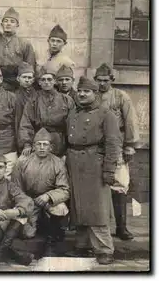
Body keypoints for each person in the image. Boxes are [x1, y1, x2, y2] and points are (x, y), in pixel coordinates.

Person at [65, 76, 121, 265]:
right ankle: (83, 245)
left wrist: (109, 170)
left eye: (86, 91)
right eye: (79, 91)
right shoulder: (73, 113)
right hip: (74, 162)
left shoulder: (106, 114)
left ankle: (104, 249)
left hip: (94, 163)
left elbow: (113, 144)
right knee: (79, 206)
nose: (81, 94)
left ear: (95, 93)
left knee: (97, 208)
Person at [94, 63, 140, 241]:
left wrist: (130, 145)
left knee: (120, 184)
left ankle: (121, 227)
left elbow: (130, 121)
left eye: (106, 80)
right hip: (97, 145)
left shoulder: (121, 96)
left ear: (112, 80)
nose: (102, 84)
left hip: (118, 144)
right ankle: (99, 226)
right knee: (98, 185)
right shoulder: (91, 96)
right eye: (99, 80)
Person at [11, 128, 70, 256]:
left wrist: (48, 196)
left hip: (47, 200)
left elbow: (65, 190)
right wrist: (25, 201)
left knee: (60, 209)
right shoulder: (22, 162)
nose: (42, 147)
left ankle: (52, 241)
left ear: (51, 147)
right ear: (33, 146)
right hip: (29, 200)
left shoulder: (58, 163)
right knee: (27, 233)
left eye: (45, 144)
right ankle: (39, 222)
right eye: (39, 144)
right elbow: (15, 187)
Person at [18, 66, 74, 158]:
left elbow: (72, 125)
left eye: (49, 79)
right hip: (40, 143)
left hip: (60, 142)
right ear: (39, 82)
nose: (46, 82)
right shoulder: (33, 101)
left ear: (55, 81)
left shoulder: (66, 100)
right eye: (43, 80)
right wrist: (27, 144)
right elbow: (26, 124)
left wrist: (68, 148)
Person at [0, 7, 36, 91]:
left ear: (17, 25)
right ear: (1, 24)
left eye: (12, 21)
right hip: (0, 81)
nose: (8, 24)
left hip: (18, 82)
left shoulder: (25, 43)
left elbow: (30, 65)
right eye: (5, 21)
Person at [14, 62, 37, 151]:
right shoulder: (14, 96)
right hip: (20, 133)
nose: (27, 80)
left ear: (33, 80)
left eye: (29, 77)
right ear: (18, 78)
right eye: (24, 77)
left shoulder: (37, 95)